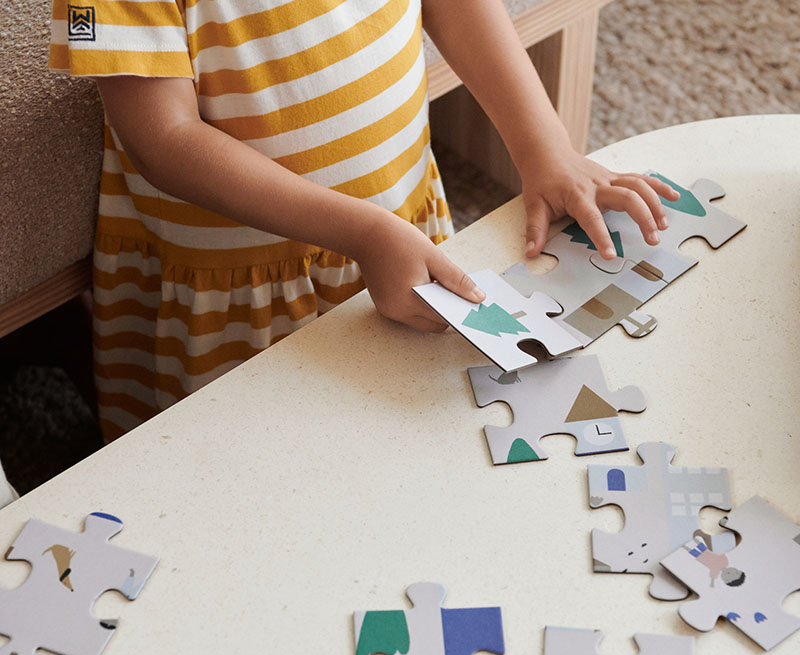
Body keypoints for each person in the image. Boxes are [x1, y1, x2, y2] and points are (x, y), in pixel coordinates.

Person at [49, 0, 679, 441]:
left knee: (417, 428)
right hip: (234, 292)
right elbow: (163, 140)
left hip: (398, 227)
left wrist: (544, 146)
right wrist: (364, 232)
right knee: (236, 476)